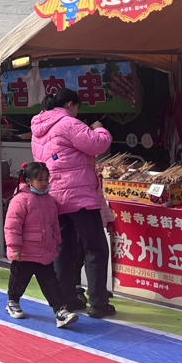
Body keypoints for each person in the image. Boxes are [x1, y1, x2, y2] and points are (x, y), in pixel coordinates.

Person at [30, 88, 113, 318]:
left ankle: (67, 298)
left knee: (63, 248)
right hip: (79, 196)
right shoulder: (68, 123)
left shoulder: (38, 128)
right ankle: (98, 302)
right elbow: (97, 144)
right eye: (77, 107)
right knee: (95, 248)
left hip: (54, 195)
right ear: (69, 105)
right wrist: (99, 128)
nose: (77, 112)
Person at [4, 162, 79, 328]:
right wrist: (15, 248)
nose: (44, 183)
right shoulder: (20, 200)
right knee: (18, 280)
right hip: (24, 253)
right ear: (29, 181)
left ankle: (60, 311)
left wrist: (56, 243)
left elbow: (54, 224)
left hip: (44, 253)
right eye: (40, 179)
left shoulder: (49, 200)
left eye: (46, 179)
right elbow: (12, 226)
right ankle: (13, 301)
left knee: (51, 283)